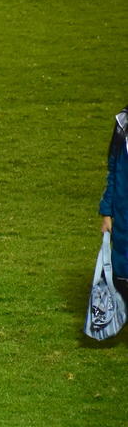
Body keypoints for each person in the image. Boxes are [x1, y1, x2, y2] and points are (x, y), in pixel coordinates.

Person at [100, 105, 128, 296]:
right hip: (123, 217)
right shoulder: (122, 125)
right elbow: (113, 171)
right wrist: (107, 212)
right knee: (122, 276)